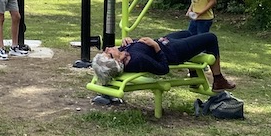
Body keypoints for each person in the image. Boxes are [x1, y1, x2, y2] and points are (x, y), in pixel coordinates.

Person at [91, 30, 236, 92]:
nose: (108, 49)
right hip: (172, 51)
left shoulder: (124, 54)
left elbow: (138, 46)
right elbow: (163, 68)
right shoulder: (137, 61)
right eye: (108, 53)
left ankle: (194, 75)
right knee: (211, 38)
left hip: (165, 41)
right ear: (116, 62)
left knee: (188, 33)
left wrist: (129, 42)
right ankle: (218, 79)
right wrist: (156, 47)